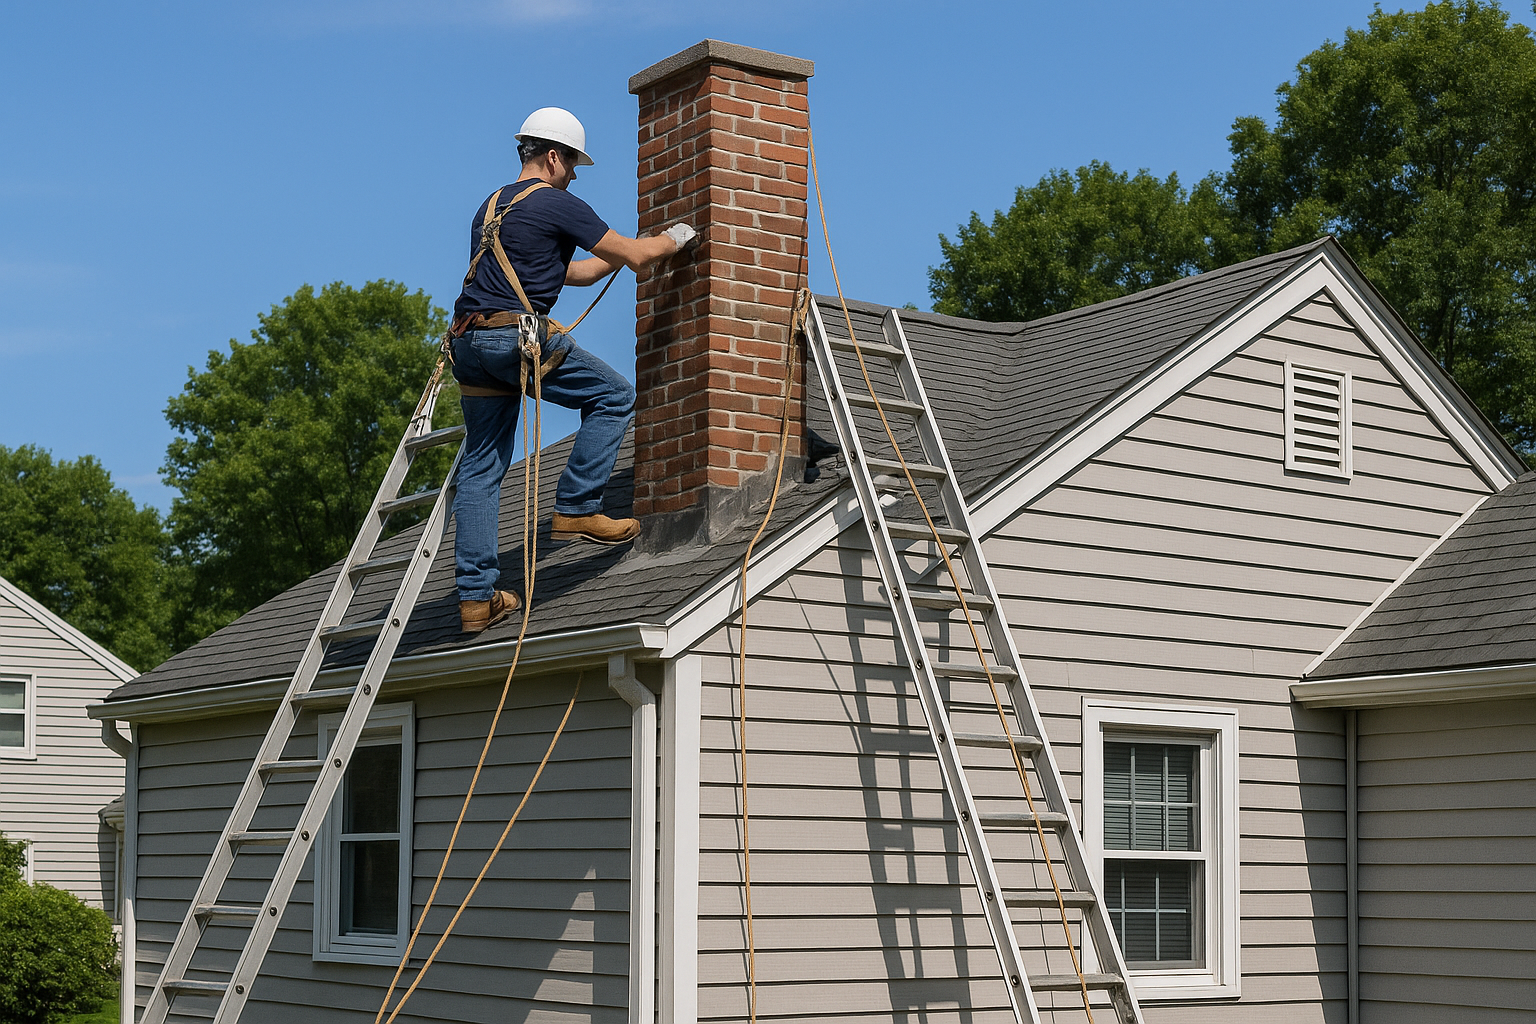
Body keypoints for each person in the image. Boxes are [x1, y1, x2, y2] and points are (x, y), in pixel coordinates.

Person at [449, 107, 696, 633]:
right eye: (574, 166)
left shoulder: (492, 207)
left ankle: (476, 599)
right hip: (513, 339)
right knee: (614, 397)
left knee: (480, 469)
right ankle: (578, 506)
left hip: (469, 343)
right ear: (554, 157)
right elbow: (638, 256)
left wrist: (618, 253)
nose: (575, 176)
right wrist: (673, 238)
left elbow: (577, 273)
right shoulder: (558, 204)